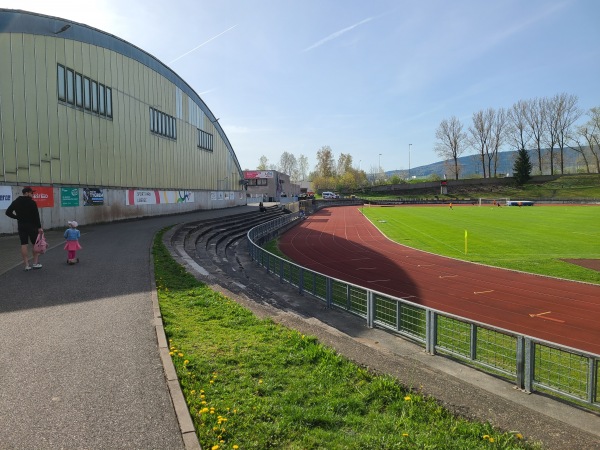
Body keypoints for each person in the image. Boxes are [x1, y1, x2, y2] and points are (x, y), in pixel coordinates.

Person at [5, 187, 43, 271]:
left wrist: (17, 217)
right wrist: (39, 227)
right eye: (31, 193)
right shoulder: (32, 202)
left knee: (24, 244)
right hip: (32, 226)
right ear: (26, 193)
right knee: (34, 244)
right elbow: (36, 216)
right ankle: (35, 263)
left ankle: (26, 265)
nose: (32, 195)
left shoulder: (16, 202)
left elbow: (8, 212)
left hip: (21, 225)